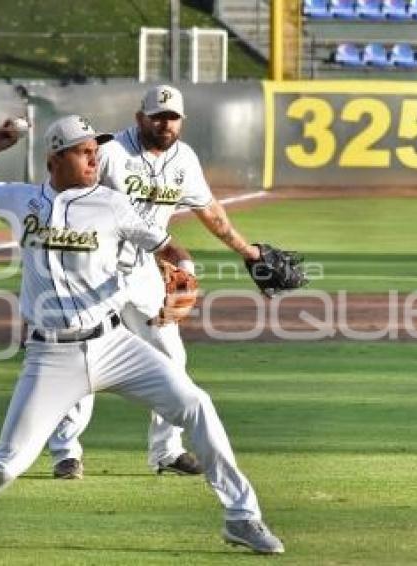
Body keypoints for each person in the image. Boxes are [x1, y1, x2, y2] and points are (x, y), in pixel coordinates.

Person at [0, 115, 284, 555]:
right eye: (84, 151)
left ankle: (243, 517)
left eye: (96, 151)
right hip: (50, 355)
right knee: (8, 464)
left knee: (197, 405)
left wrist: (184, 269)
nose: (94, 158)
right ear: (56, 157)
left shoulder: (113, 204)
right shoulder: (20, 200)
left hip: (113, 344)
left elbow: (166, 245)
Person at [48, 85, 266, 480]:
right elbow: (71, 198)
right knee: (81, 357)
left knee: (171, 357)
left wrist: (246, 250)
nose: (165, 123)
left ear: (182, 121)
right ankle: (66, 452)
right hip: (94, 272)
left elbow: (209, 209)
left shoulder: (185, 159)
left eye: (172, 117)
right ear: (140, 118)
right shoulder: (112, 152)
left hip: (146, 271)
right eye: (157, 116)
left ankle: (166, 450)